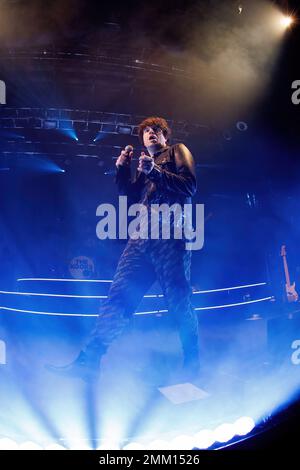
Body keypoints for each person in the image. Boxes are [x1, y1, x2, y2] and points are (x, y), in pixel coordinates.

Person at [47, 117, 200, 382]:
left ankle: (193, 363)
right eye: (146, 132)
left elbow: (189, 186)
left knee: (178, 302)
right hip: (141, 240)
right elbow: (132, 198)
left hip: (171, 237)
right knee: (118, 297)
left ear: (165, 137)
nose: (151, 134)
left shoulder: (178, 151)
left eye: (157, 131)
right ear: (142, 140)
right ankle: (90, 360)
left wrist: (155, 171)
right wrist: (122, 170)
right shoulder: (144, 166)